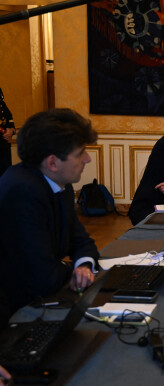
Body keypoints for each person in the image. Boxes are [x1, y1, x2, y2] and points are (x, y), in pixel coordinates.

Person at [0, 109, 99, 328]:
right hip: (13, 316)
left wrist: (83, 265)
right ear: (53, 162)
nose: (88, 159)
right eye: (81, 152)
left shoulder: (58, 182)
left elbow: (82, 241)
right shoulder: (22, 191)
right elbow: (43, 277)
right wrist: (72, 269)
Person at [0, 87, 15, 176]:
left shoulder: (2, 103)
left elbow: (9, 119)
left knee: (5, 176)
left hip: (4, 147)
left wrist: (11, 130)